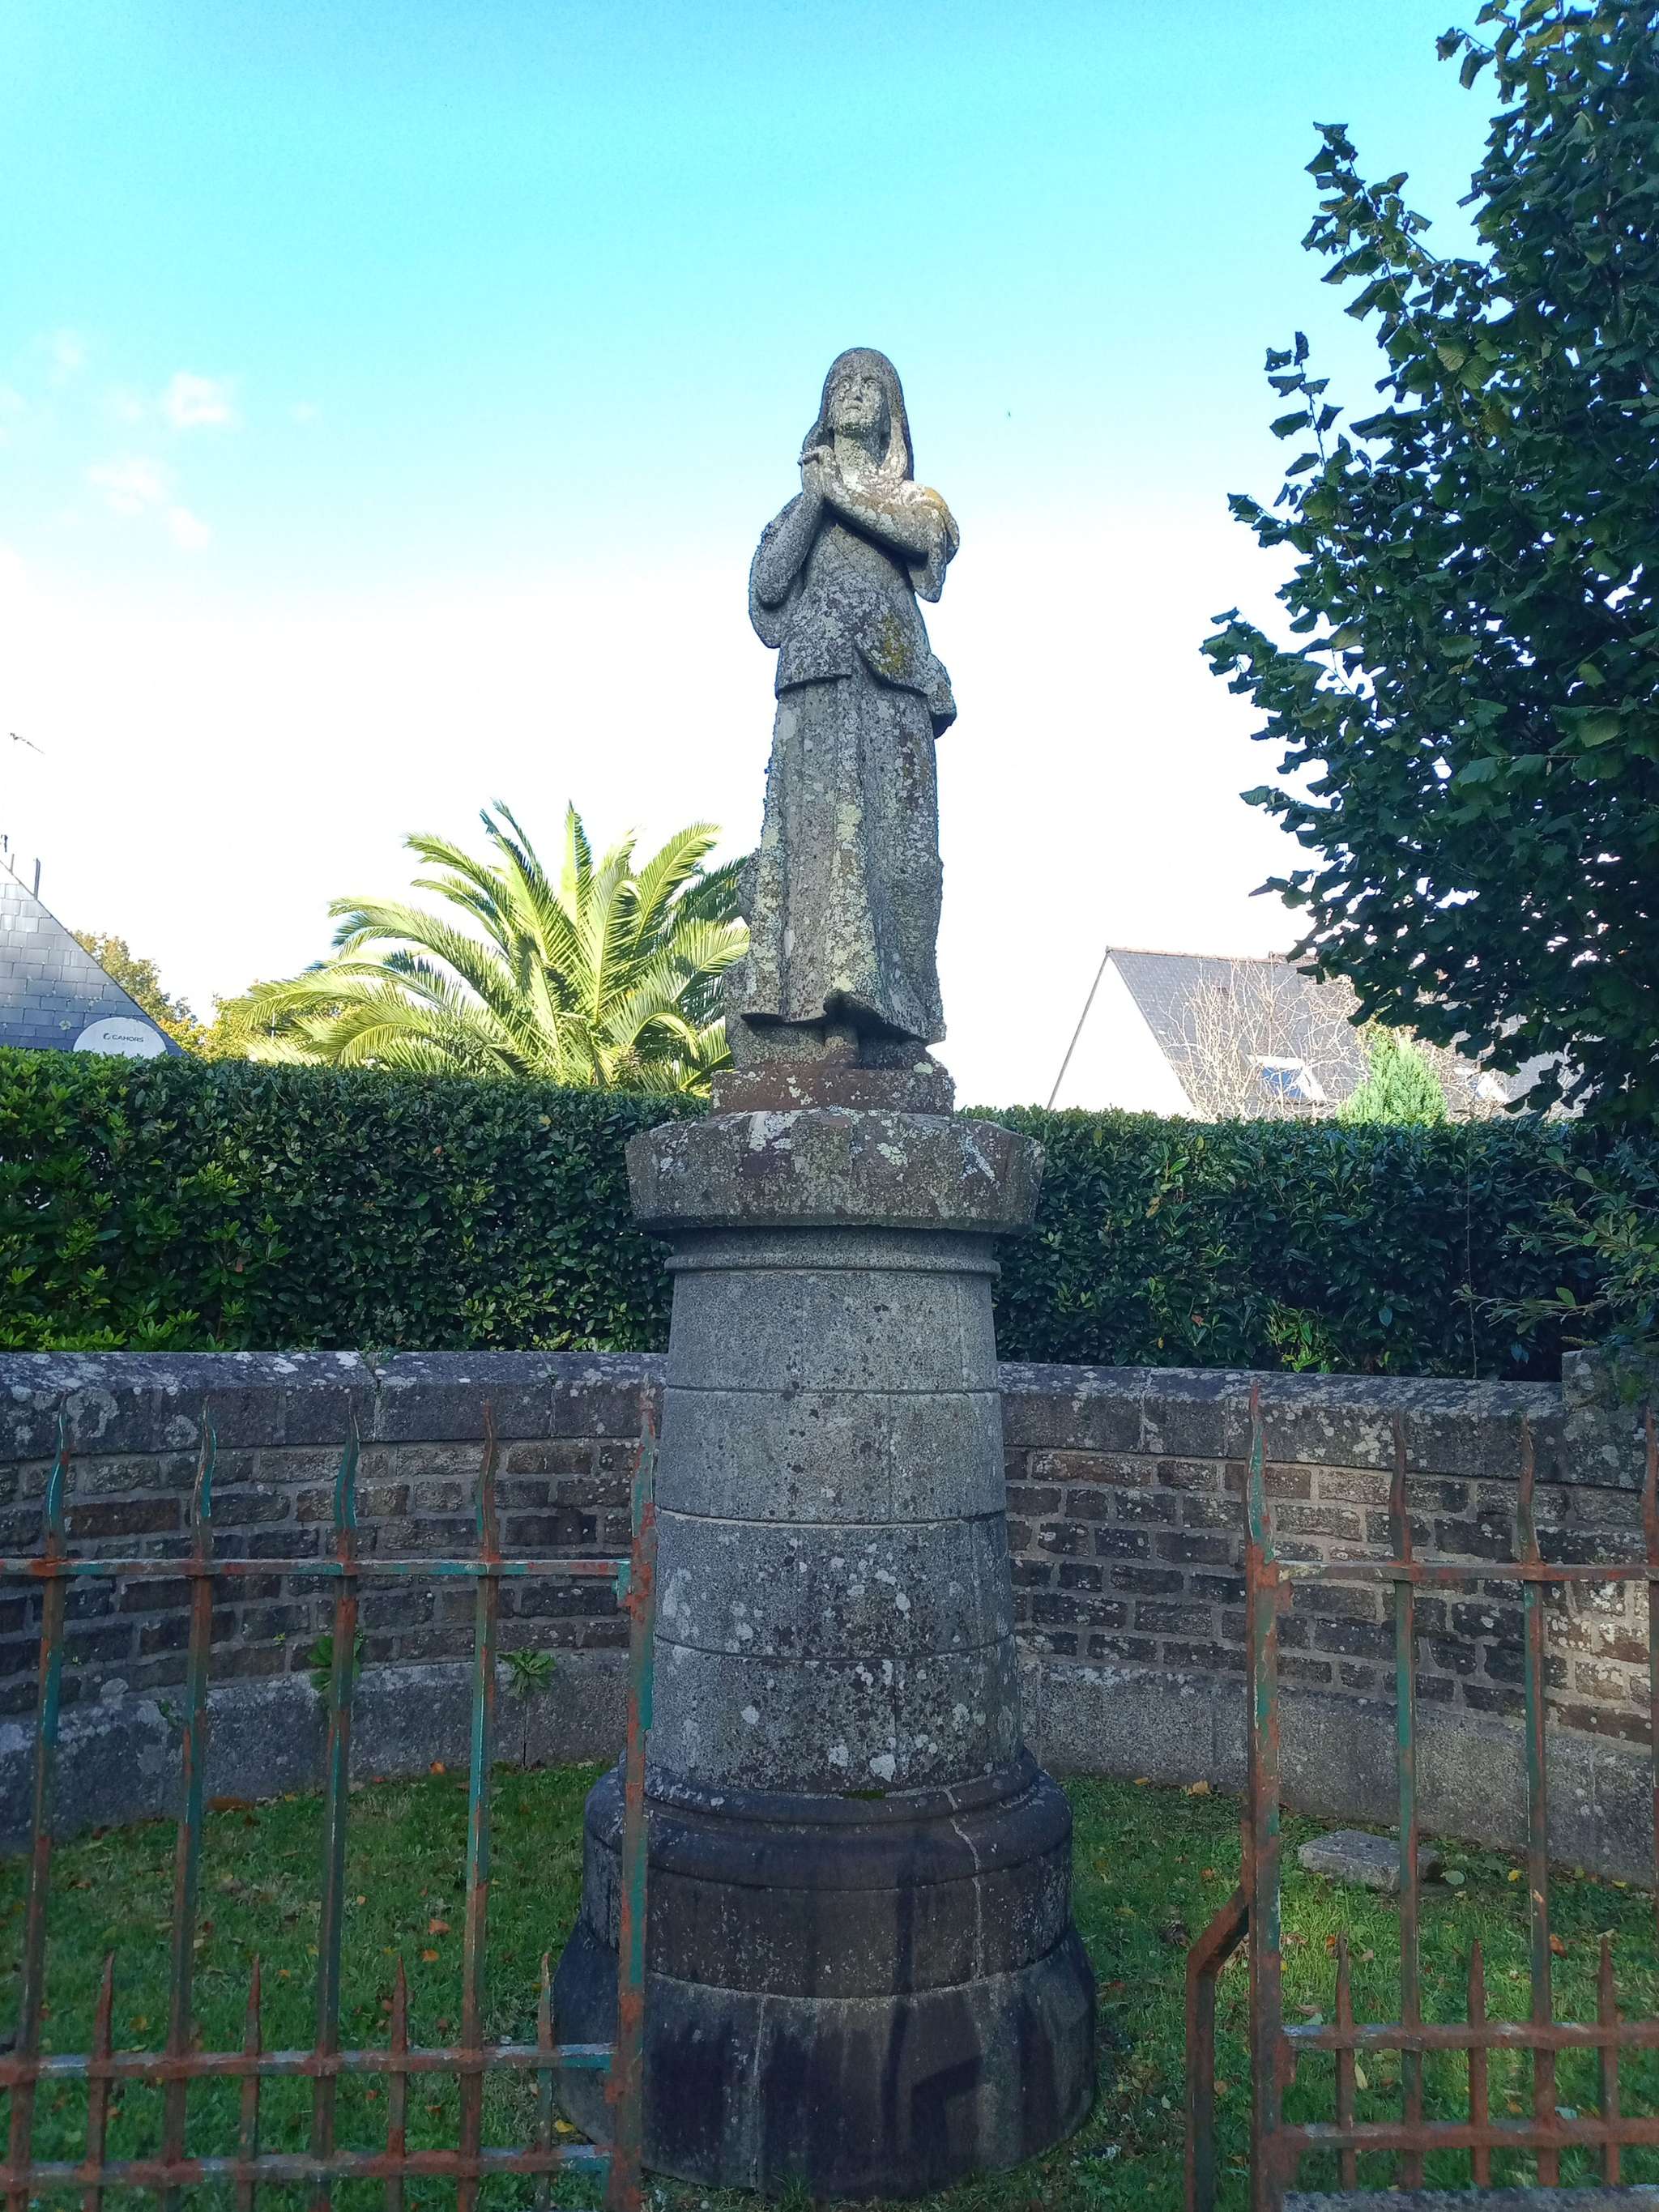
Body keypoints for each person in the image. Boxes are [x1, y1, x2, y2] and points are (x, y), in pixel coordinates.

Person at [727, 347, 959, 1066]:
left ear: (892, 412)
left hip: (895, 689)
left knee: (906, 863)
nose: (855, 393)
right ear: (825, 408)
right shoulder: (802, 509)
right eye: (842, 383)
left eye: (870, 384)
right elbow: (767, 589)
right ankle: (820, 1016)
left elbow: (924, 542)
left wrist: (840, 493)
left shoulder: (917, 501)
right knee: (821, 852)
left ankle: (899, 1025)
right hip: (818, 683)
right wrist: (813, 501)